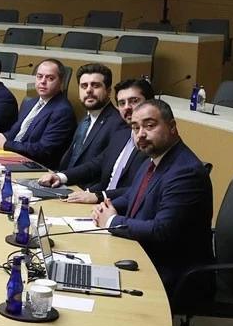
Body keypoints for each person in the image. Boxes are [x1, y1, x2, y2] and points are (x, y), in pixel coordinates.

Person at [92, 98, 214, 298]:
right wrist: (105, 207)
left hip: (173, 271)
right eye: (135, 127)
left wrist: (112, 221)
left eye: (149, 125)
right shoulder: (155, 159)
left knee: (97, 290)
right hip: (147, 253)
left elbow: (162, 230)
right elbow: (133, 196)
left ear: (172, 127)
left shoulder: (185, 172)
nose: (140, 134)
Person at [42, 78, 153, 202]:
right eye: (122, 103)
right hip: (100, 204)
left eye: (134, 101)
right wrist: (61, 177)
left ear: (151, 103)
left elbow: (142, 188)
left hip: (122, 210)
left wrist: (100, 196)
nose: (127, 107)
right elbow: (97, 164)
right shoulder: (122, 134)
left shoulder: (154, 142)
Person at [0, 58, 75, 167]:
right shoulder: (30, 102)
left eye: (50, 78)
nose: (43, 81)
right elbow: (16, 131)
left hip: (36, 165)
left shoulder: (62, 111)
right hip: (14, 156)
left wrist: (6, 144)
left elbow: (43, 150)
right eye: (39, 76)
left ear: (61, 82)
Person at [53, 63, 128, 173]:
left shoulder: (118, 123)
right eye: (84, 86)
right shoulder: (85, 120)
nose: (88, 90)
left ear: (108, 91)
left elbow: (103, 168)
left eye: (95, 85)